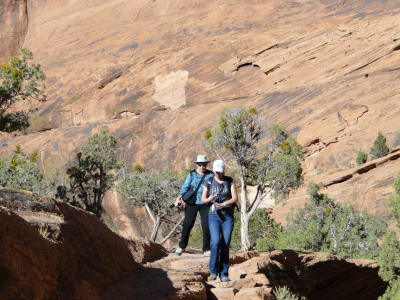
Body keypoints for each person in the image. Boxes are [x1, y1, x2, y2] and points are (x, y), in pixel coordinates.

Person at [201, 160, 238, 282]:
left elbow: (235, 198)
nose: (217, 173)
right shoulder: (209, 181)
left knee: (225, 243)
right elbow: (203, 199)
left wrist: (223, 204)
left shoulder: (229, 181)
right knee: (215, 242)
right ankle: (213, 272)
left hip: (227, 216)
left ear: (223, 170)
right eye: (216, 171)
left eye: (219, 171)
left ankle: (224, 273)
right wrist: (209, 199)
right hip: (214, 216)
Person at [174, 155, 214, 257]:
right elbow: (186, 186)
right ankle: (182, 246)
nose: (202, 167)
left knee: (206, 226)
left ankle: (206, 249)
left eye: (204, 165)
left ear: (206, 165)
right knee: (187, 224)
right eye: (200, 165)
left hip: (206, 203)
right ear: (197, 165)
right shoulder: (192, 174)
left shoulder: (211, 175)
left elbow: (215, 187)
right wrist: (178, 198)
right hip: (192, 203)